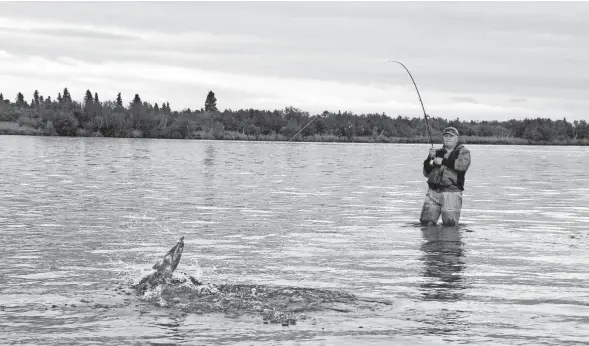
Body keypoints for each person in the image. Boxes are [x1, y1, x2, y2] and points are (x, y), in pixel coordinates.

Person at [420, 126, 471, 226]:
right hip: (433, 192)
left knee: (450, 225)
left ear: (457, 138)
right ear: (443, 138)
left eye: (451, 136)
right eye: (446, 136)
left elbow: (461, 166)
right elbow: (426, 172)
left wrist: (443, 161)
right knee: (426, 224)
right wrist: (430, 158)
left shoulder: (463, 152)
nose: (448, 138)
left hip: (452, 192)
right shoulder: (437, 152)